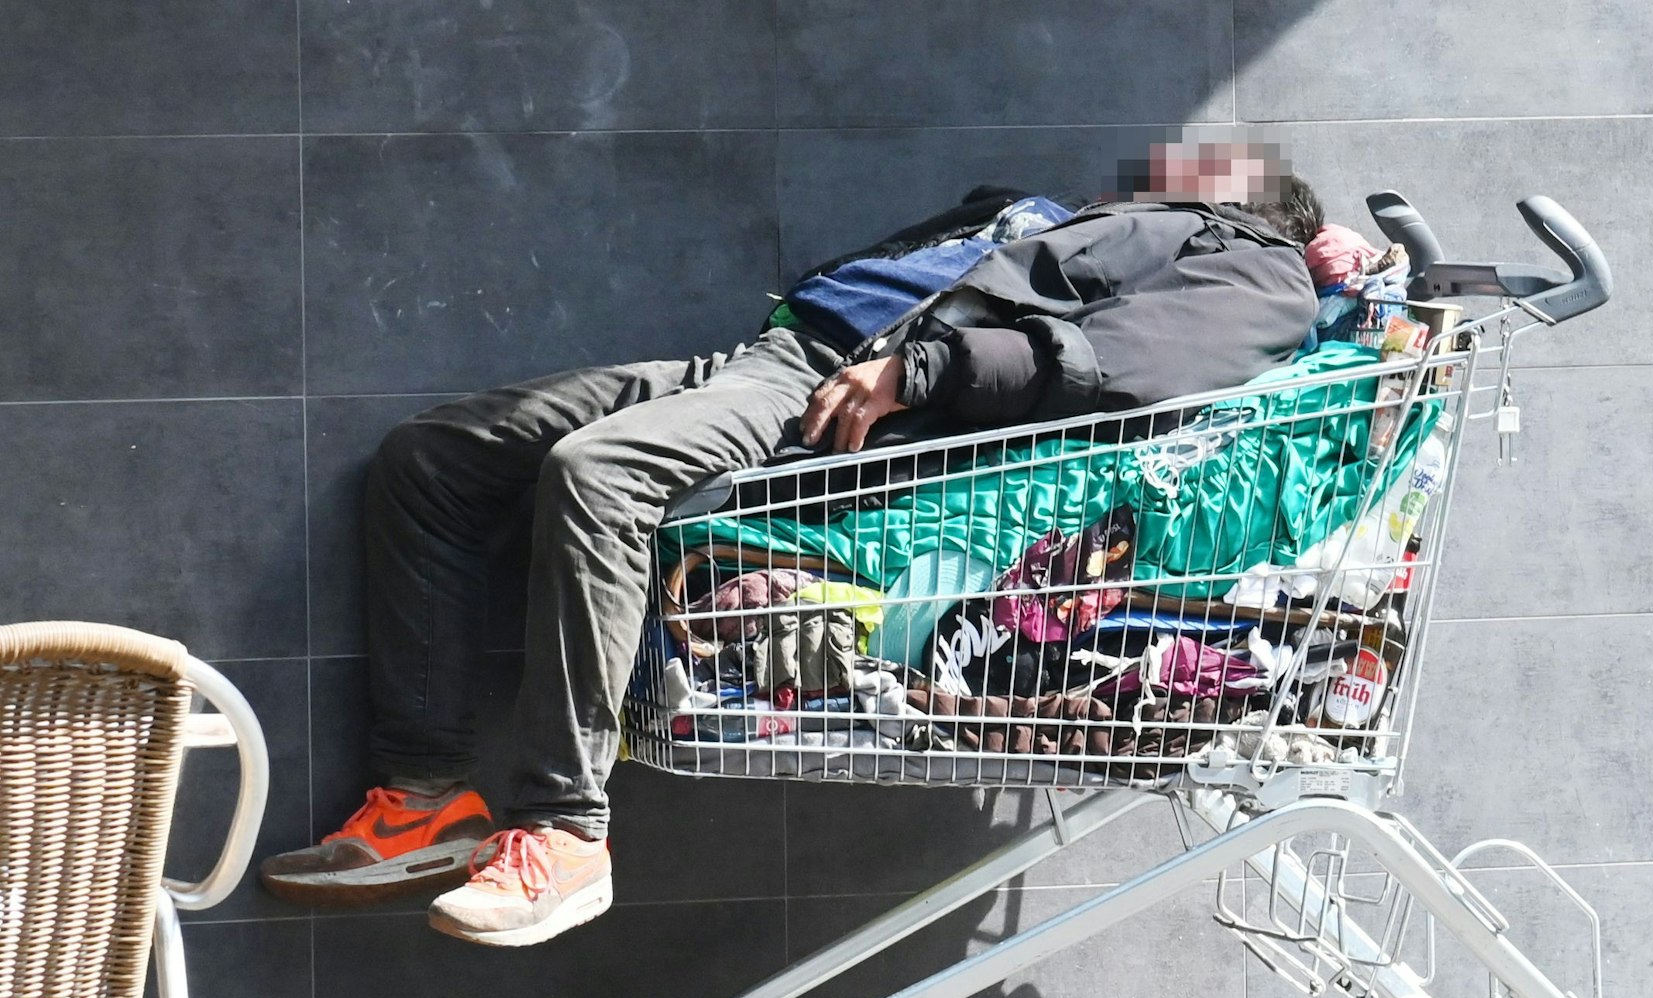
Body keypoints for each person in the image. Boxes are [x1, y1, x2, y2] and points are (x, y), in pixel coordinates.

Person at [259, 137, 1325, 947]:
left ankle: (567, 834)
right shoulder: (1052, 217)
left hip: (846, 402)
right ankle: (425, 799)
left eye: (1206, 158)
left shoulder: (1249, 260)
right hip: (769, 357)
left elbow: (1128, 356)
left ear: (1247, 198)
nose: (1162, 156)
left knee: (601, 476)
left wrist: (925, 373)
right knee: (432, 458)